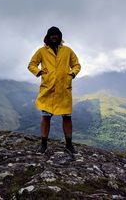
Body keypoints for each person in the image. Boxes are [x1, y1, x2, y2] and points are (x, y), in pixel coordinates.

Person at [28, 26, 81, 154]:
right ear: (48, 37)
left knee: (67, 117)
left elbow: (76, 65)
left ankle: (69, 145)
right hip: (48, 89)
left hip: (64, 89)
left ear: (60, 36)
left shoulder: (67, 51)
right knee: (46, 117)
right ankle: (43, 145)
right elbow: (32, 64)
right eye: (52, 35)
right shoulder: (41, 51)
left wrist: (72, 74)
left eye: (56, 35)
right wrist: (39, 72)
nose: (54, 37)